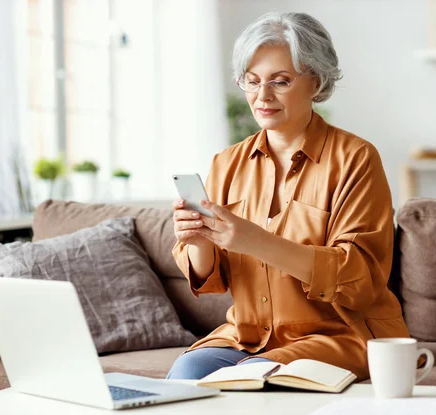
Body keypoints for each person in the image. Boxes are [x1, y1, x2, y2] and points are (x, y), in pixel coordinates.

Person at [167, 11, 409, 381]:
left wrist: (256, 241)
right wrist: (198, 239)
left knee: (255, 377)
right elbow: (210, 279)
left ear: (316, 80)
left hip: (339, 334)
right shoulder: (227, 163)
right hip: (247, 337)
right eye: (252, 81)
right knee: (188, 370)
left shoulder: (356, 159)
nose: (262, 96)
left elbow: (359, 280)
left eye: (280, 81)